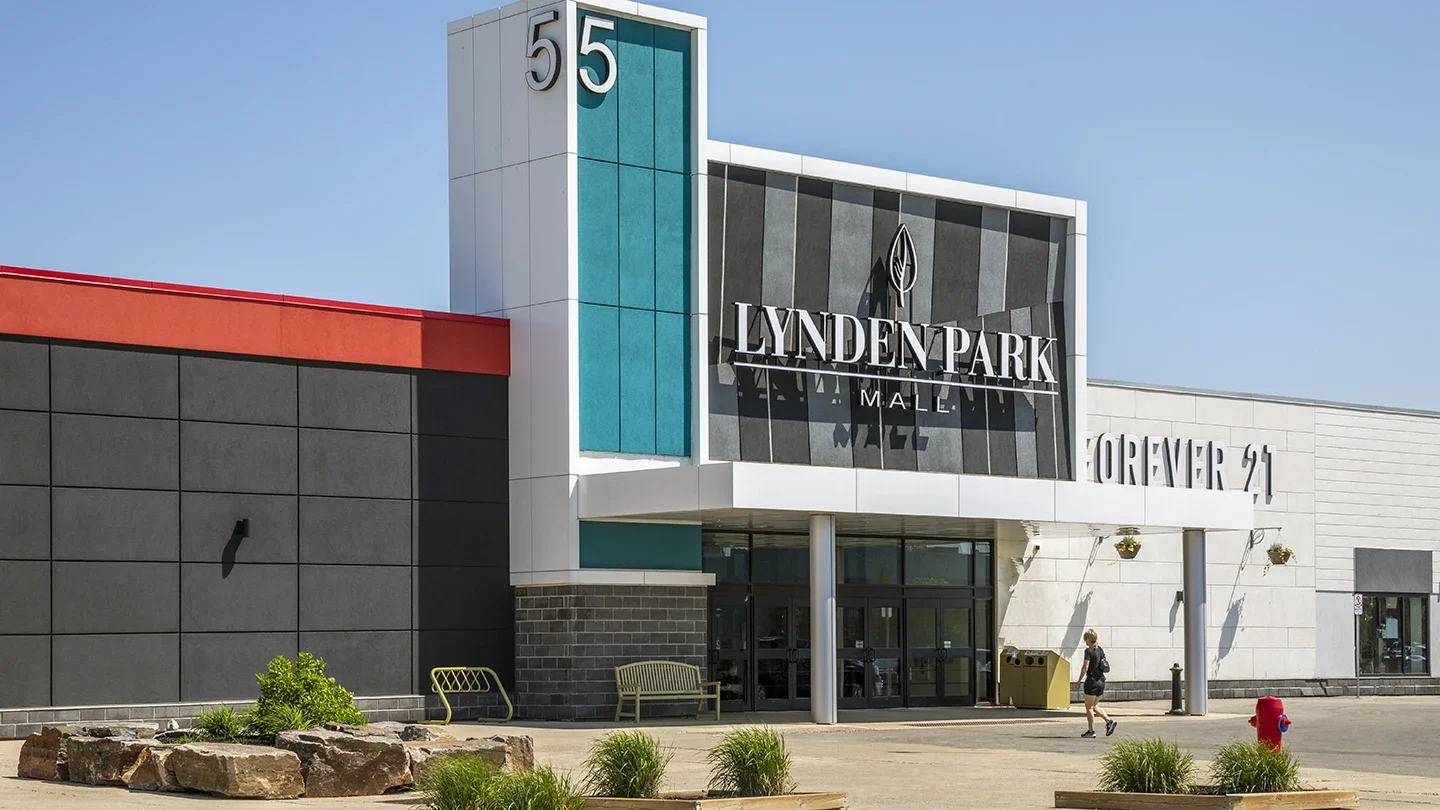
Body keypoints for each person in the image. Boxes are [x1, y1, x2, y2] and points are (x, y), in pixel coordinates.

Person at [1077, 629, 1117, 738]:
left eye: (1085, 639)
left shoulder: (1088, 651)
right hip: (1101, 681)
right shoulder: (1100, 650)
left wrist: (1079, 680)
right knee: (1095, 706)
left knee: (1089, 707)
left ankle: (1091, 731)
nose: (1085, 641)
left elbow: (1085, 667)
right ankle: (1109, 721)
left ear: (1088, 639)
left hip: (1092, 681)